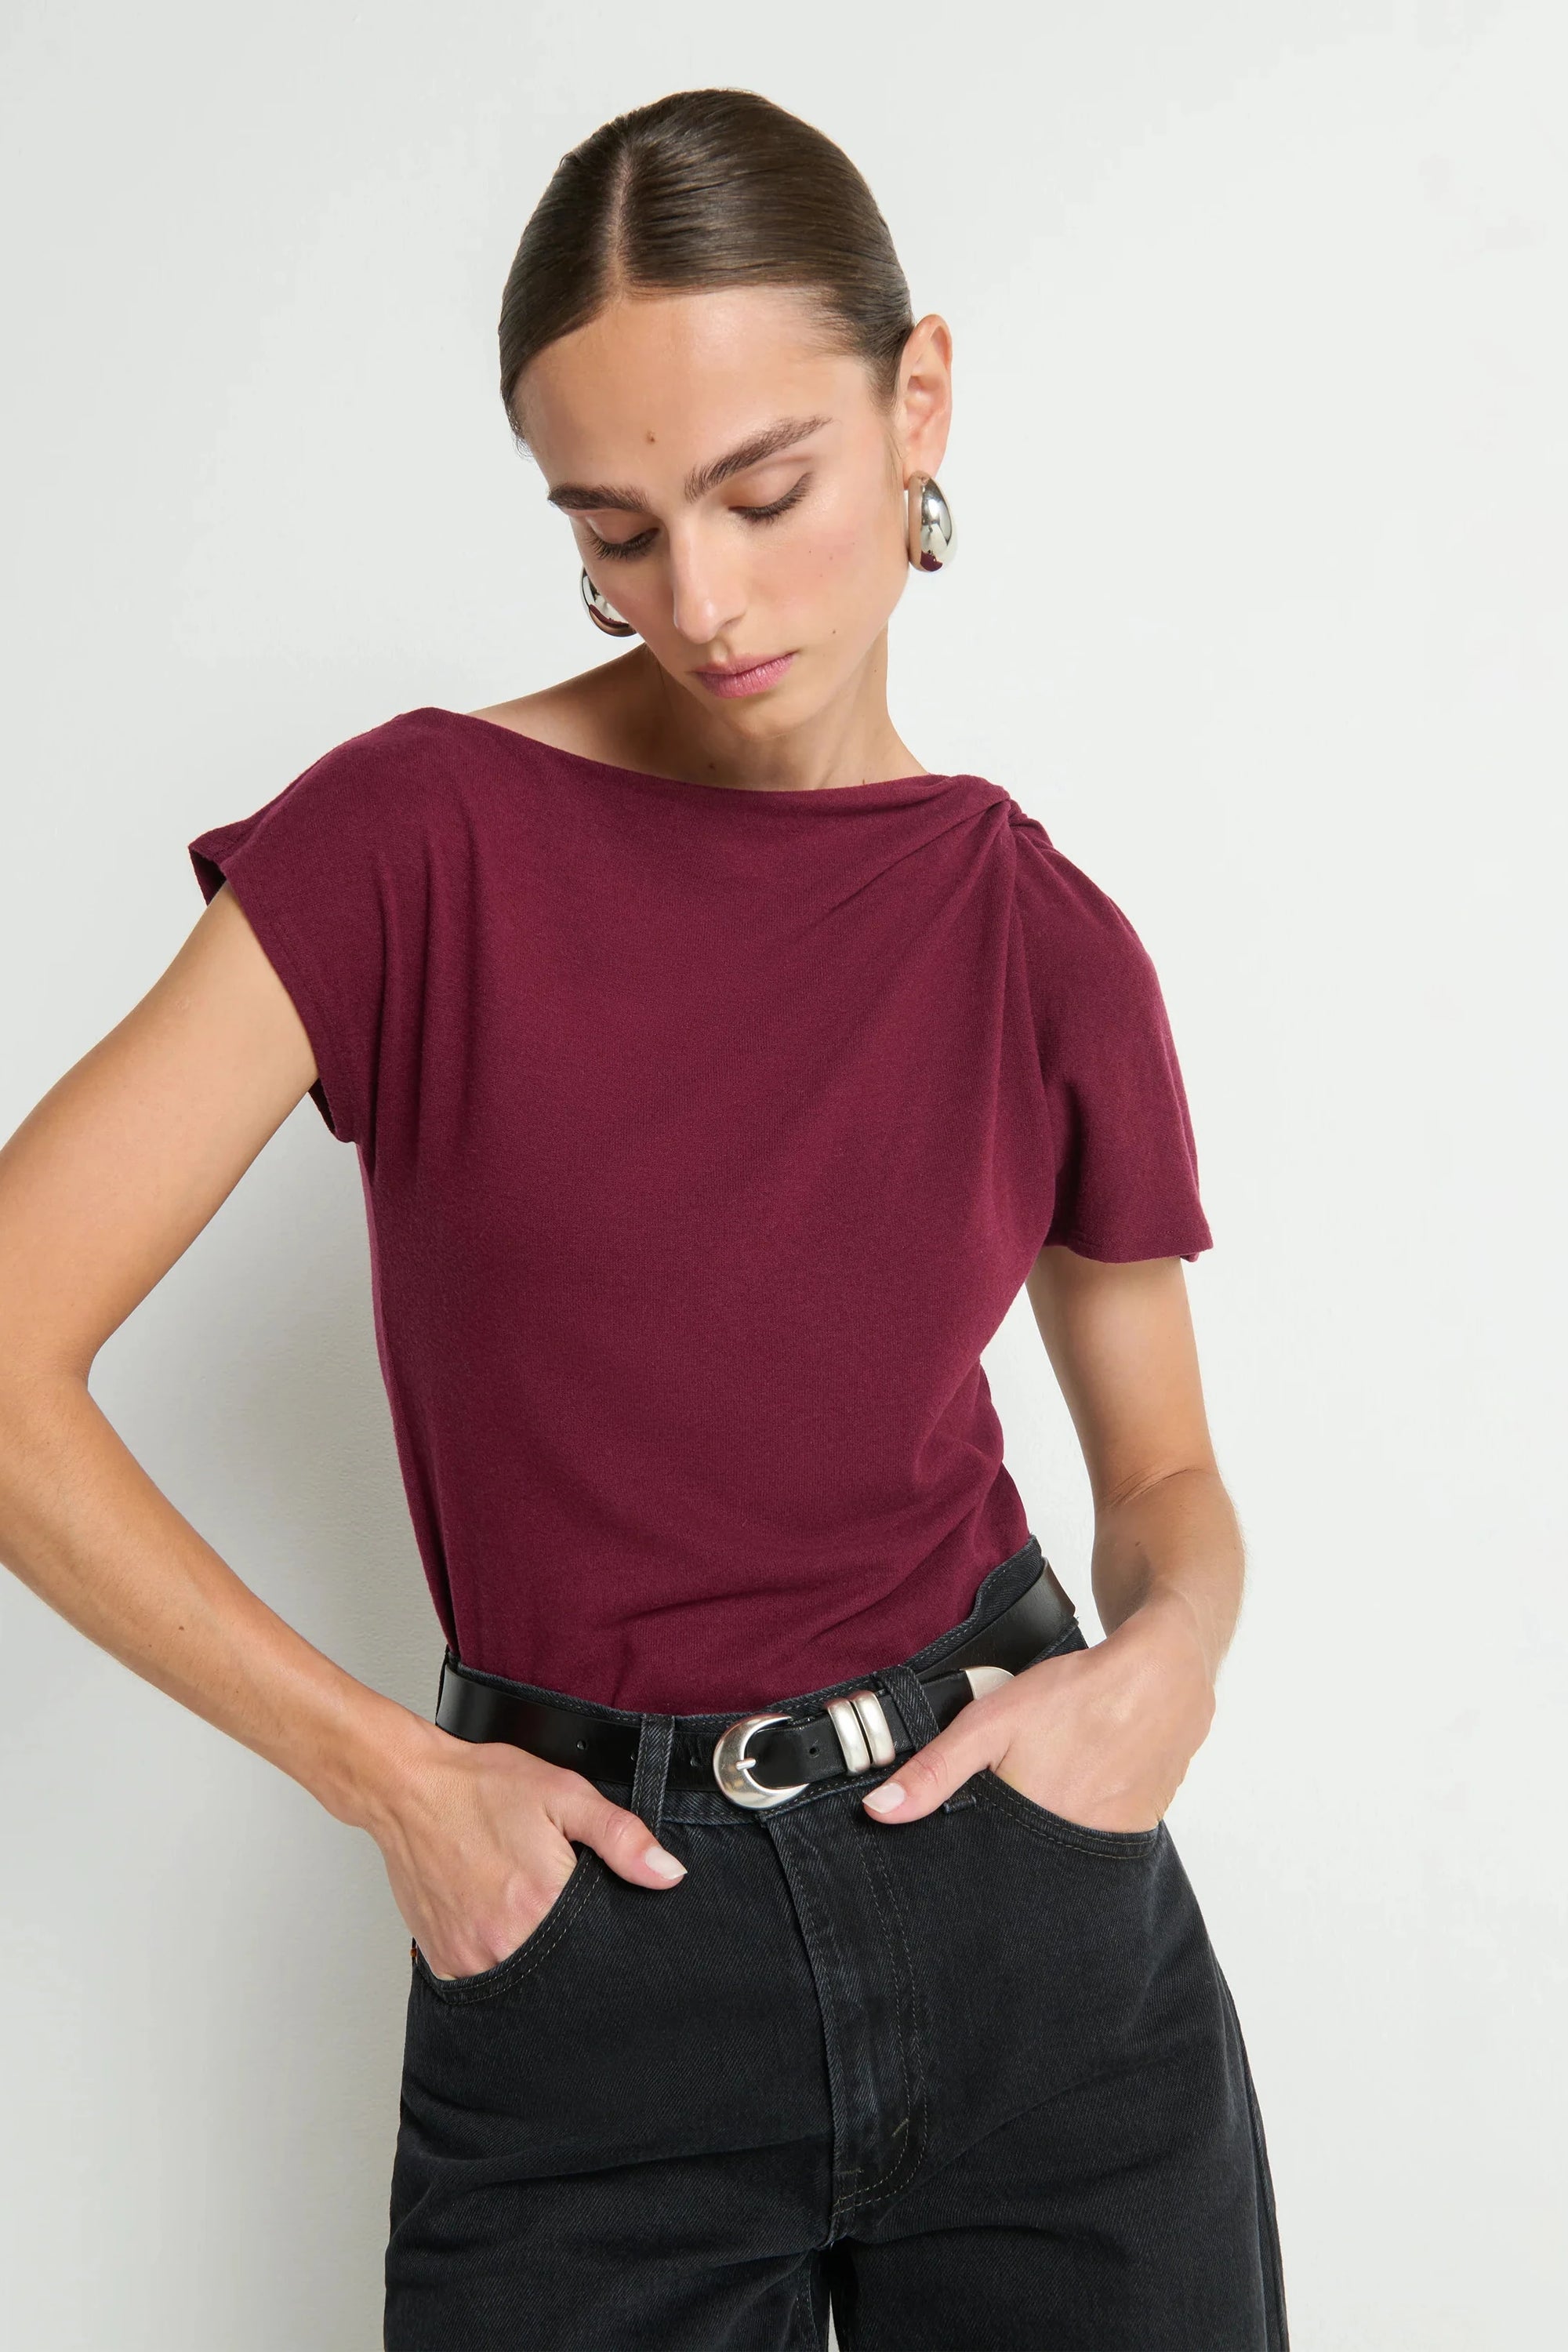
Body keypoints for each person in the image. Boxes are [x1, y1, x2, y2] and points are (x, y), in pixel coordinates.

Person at [0, 84, 1288, 2352]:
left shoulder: (1041, 936)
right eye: (609, 527)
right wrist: (393, 1781)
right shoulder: (414, 844)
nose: (698, 599)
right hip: (590, 1957)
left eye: (760, 491)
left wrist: (1166, 1662)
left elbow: (1165, 1478)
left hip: (1034, 1942)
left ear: (918, 402)